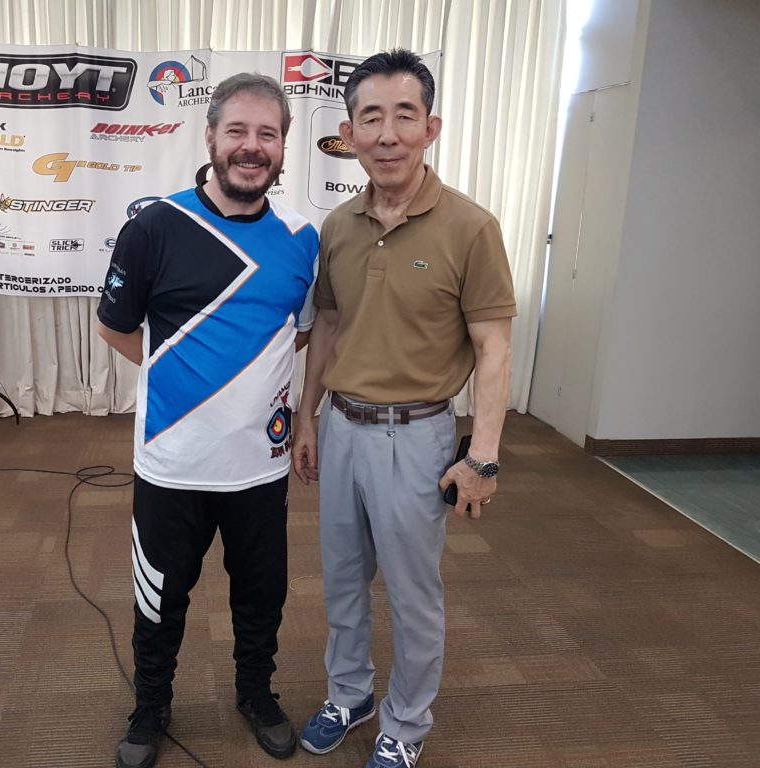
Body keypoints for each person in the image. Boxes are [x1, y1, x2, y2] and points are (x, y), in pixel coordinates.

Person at [293, 49, 516, 768]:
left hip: (417, 437)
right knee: (342, 580)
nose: (387, 134)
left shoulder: (471, 228)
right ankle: (350, 693)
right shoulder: (338, 226)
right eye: (371, 118)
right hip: (341, 427)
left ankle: (407, 723)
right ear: (349, 134)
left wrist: (483, 459)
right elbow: (329, 327)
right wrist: (307, 417)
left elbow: (494, 349)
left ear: (430, 127)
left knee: (414, 595)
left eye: (404, 116)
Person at [97, 73, 318, 768]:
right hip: (172, 462)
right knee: (159, 599)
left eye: (267, 134)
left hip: (260, 467)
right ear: (211, 138)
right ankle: (151, 706)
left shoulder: (302, 237)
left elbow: (299, 334)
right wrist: (181, 377)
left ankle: (256, 694)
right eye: (238, 131)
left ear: (283, 147)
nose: (252, 147)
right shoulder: (154, 227)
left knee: (261, 597)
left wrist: (247, 387)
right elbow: (115, 328)